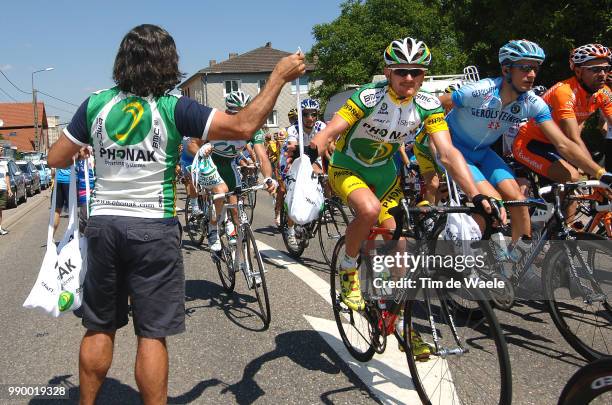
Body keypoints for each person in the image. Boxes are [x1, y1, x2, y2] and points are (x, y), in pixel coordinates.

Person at [47, 24, 304, 405]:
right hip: (153, 225)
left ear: (123, 61)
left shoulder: (96, 104)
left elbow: (55, 158)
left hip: (104, 225)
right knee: (151, 333)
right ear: (168, 64)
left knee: (99, 326)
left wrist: (91, 150)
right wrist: (277, 77)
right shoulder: (173, 107)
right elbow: (244, 126)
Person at [304, 37, 500, 315]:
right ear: (387, 72)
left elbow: (447, 152)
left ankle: (395, 320)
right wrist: (315, 150)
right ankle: (349, 268)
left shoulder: (428, 104)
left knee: (402, 245)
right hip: (348, 167)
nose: (408, 77)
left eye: (416, 71)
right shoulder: (368, 96)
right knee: (369, 210)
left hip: (385, 174)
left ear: (424, 75)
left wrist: (476, 194)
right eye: (401, 71)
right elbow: (333, 129)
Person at [190, 90, 277, 252]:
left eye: (247, 112)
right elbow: (191, 145)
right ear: (228, 113)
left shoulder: (252, 128)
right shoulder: (216, 123)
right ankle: (212, 228)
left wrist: (268, 178)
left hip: (229, 166)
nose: (244, 117)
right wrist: (201, 153)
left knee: (236, 210)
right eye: (239, 113)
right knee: (220, 192)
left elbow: (262, 156)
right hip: (210, 165)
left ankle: (239, 253)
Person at [279, 99, 326, 249]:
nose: (310, 118)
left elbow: (328, 145)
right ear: (300, 116)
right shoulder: (294, 129)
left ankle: (309, 215)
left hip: (312, 158)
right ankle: (290, 230)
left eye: (314, 114)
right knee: (294, 193)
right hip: (291, 160)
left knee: (322, 180)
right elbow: (293, 148)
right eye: (306, 114)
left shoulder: (321, 126)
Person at [0, 149, 13, 235]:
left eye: (1, 150)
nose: (1, 151)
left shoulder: (4, 163)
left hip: (3, 189)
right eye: (0, 149)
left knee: (0, 209)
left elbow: (7, 176)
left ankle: (0, 228)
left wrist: (9, 189)